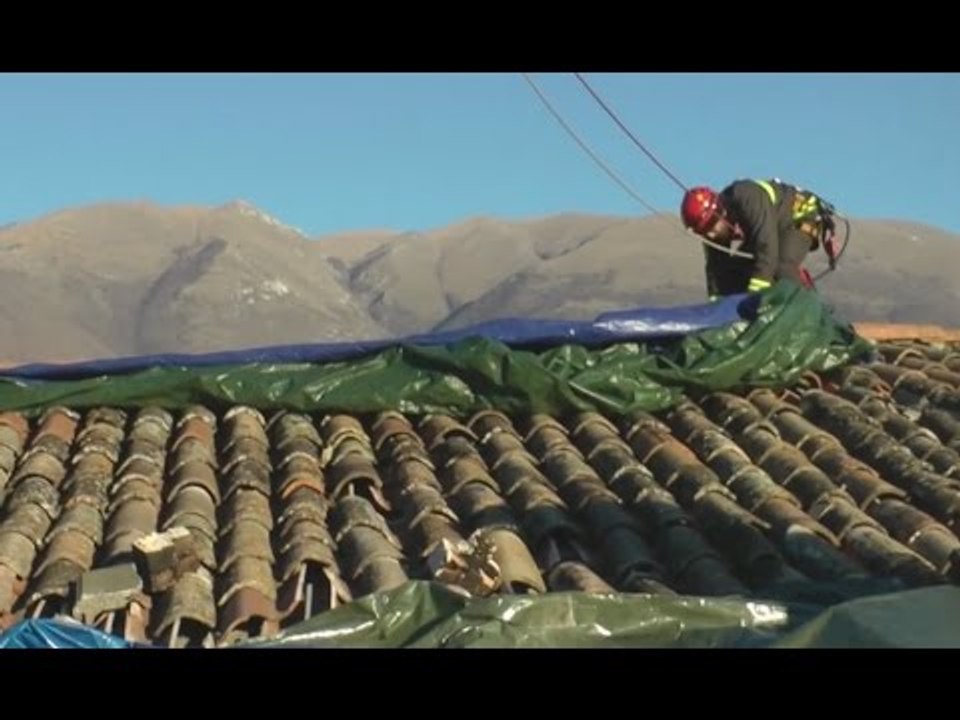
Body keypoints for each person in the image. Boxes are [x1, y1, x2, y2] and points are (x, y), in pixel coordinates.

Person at [680, 178, 835, 300]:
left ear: (720, 211)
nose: (711, 235)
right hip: (771, 227)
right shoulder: (712, 233)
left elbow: (767, 247)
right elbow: (716, 270)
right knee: (740, 273)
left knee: (781, 266)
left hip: (799, 215)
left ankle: (811, 317)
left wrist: (754, 298)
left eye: (712, 226)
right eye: (703, 232)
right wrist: (717, 307)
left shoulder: (747, 197)